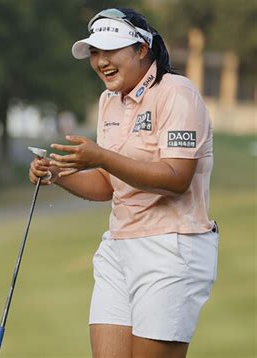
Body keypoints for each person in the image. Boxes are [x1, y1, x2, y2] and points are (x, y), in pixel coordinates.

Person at [29, 8, 218, 358]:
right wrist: (59, 173)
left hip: (171, 248)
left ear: (142, 48)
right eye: (95, 53)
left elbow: (177, 179)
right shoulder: (108, 102)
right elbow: (108, 184)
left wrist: (101, 157)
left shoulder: (177, 93)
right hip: (119, 246)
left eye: (110, 50)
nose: (101, 61)